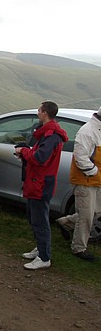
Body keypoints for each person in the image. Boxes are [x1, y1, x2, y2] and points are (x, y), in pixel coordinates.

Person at [16, 101, 69, 270]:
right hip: (37, 181)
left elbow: (40, 158)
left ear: (45, 113)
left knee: (40, 219)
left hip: (40, 182)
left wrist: (23, 151)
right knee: (34, 216)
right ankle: (40, 247)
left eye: (39, 111)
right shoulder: (48, 134)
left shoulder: (51, 136)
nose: (37, 113)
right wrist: (27, 154)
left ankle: (44, 257)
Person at [56, 106, 101, 261]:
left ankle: (65, 222)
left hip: (97, 181)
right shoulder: (87, 131)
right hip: (85, 180)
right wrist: (94, 172)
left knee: (95, 212)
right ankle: (79, 249)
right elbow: (81, 157)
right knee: (86, 216)